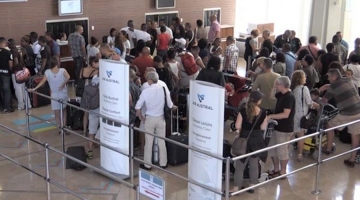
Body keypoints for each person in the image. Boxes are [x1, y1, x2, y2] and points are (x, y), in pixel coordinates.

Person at [135, 71, 177, 170]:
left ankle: (147, 165)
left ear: (150, 80)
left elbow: (138, 107)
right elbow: (170, 105)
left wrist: (141, 117)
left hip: (149, 118)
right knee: (162, 141)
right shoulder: (163, 88)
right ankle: (163, 163)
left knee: (149, 142)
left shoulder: (145, 91)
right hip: (161, 118)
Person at [229, 91, 268, 194]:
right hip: (256, 141)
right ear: (258, 101)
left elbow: (237, 126)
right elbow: (263, 127)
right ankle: (251, 186)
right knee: (254, 164)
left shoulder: (242, 110)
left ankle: (236, 188)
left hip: (244, 140)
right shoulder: (263, 112)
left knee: (240, 165)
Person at [319, 69, 360, 167]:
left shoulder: (333, 86)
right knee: (355, 135)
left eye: (329, 77)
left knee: (329, 125)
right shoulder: (348, 80)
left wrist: (320, 95)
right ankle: (352, 159)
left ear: (333, 77)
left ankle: (328, 148)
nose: (328, 79)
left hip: (347, 113)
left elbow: (324, 100)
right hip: (358, 111)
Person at [28, 57, 70, 133]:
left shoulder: (47, 72)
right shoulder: (62, 70)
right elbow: (68, 77)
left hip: (54, 95)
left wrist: (35, 88)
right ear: (57, 63)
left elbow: (42, 81)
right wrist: (63, 84)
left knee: (57, 112)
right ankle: (64, 127)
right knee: (64, 111)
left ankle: (60, 128)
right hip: (63, 93)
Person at [267, 76, 295, 178]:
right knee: (272, 148)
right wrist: (274, 87)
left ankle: (283, 172)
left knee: (282, 151)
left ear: (283, 85)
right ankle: (276, 168)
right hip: (277, 126)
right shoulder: (281, 94)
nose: (275, 86)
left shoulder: (289, 97)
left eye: (277, 84)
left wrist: (270, 116)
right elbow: (271, 97)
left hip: (285, 128)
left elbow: (285, 114)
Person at [290, 70, 317, 162]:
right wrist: (317, 105)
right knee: (301, 135)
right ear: (300, 78)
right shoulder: (304, 88)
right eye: (304, 77)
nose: (305, 78)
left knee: (291, 134)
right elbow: (309, 102)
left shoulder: (293, 89)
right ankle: (299, 154)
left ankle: (284, 150)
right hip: (302, 115)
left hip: (294, 115)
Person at [8, 39, 31, 110]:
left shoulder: (12, 51)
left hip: (16, 72)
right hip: (22, 71)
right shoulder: (19, 49)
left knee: (17, 89)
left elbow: (16, 61)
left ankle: (21, 105)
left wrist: (11, 68)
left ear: (10, 44)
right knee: (23, 88)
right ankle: (28, 104)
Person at [79, 56, 99, 135]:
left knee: (85, 113)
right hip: (92, 94)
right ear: (94, 63)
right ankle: (92, 130)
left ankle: (84, 130)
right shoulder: (95, 71)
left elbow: (80, 79)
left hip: (83, 92)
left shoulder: (82, 69)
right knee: (92, 113)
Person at [0, 37, 13, 113]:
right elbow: (10, 64)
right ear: (4, 43)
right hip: (5, 74)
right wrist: (10, 70)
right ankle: (6, 107)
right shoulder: (8, 52)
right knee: (6, 90)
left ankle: (1, 106)